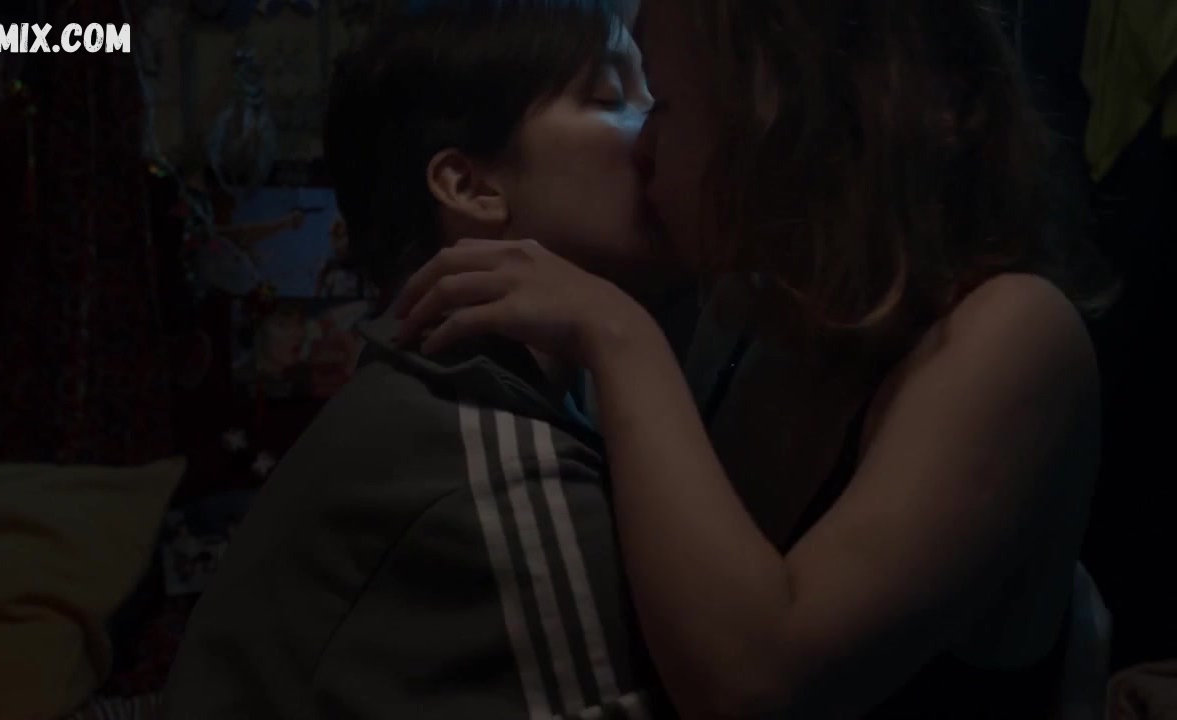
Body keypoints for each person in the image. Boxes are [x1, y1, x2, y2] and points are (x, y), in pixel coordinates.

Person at [392, 0, 1115, 716]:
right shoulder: (751, 316)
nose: (642, 149)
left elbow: (758, 685)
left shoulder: (1014, 332)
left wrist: (617, 334)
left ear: (790, 114)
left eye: (664, 104)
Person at [162, 1, 676, 717]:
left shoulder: (433, 396)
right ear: (470, 187)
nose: (658, 128)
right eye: (612, 97)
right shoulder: (495, 472)